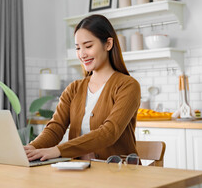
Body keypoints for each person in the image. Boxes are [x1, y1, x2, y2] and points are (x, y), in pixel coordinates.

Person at [24, 14, 141, 161]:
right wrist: (32, 148)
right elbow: (55, 128)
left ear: (108, 44)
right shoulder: (73, 89)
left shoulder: (128, 86)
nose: (82, 54)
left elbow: (109, 132)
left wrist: (58, 150)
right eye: (78, 48)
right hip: (79, 172)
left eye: (88, 46)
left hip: (117, 174)